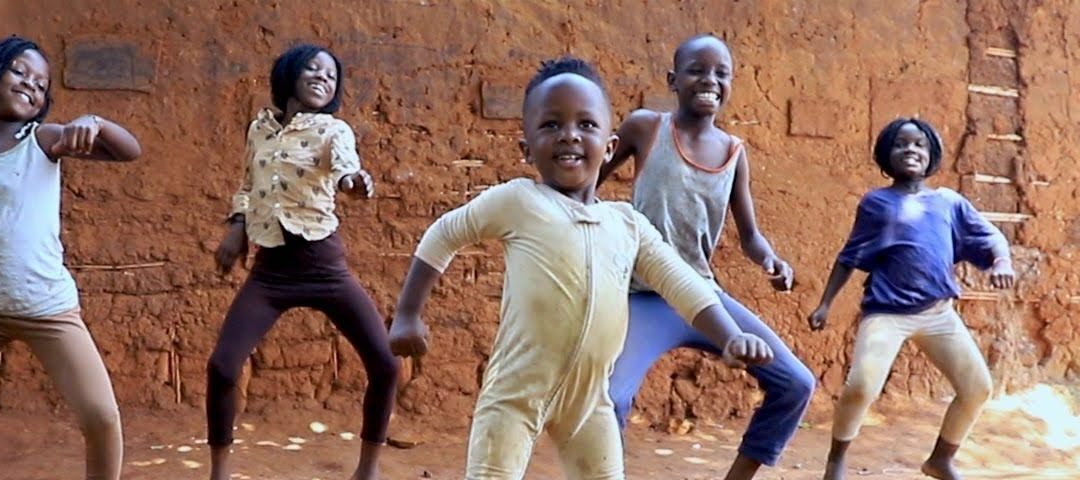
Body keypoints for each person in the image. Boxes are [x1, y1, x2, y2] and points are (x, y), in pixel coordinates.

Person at [388, 56, 774, 480]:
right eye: (551, 125)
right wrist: (408, 315)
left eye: (586, 125)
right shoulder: (517, 202)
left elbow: (682, 283)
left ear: (610, 146)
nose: (569, 135)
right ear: (526, 147)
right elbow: (443, 235)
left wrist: (730, 335)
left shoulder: (627, 224)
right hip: (515, 395)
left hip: (590, 403)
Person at [0, 35, 142, 480]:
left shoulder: (44, 141)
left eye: (41, 83)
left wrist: (95, 122)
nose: (32, 85)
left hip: (48, 309)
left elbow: (128, 151)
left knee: (101, 417)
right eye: (20, 71)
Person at [598, 34, 815, 480]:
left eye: (721, 73)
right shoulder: (646, 127)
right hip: (643, 296)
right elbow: (588, 184)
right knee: (611, 400)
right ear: (673, 80)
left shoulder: (734, 152)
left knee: (795, 384)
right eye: (697, 70)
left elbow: (749, 235)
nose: (709, 80)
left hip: (701, 297)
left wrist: (771, 261)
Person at [205, 43, 397, 480]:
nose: (322, 78)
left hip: (323, 265)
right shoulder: (260, 129)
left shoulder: (335, 131)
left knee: (385, 363)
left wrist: (355, 182)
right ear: (290, 74)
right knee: (222, 366)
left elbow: (347, 170)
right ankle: (219, 472)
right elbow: (249, 183)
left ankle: (367, 471)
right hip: (271, 270)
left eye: (330, 75)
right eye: (313, 68)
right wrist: (237, 227)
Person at [807, 117, 1015, 480]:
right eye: (901, 144)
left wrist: (1002, 260)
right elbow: (849, 256)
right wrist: (825, 303)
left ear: (931, 154)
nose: (911, 150)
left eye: (919, 145)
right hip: (886, 314)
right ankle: (836, 460)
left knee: (977, 387)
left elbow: (992, 237)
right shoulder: (876, 203)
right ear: (887, 156)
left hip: (938, 314)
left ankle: (940, 459)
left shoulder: (949, 202)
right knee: (860, 387)